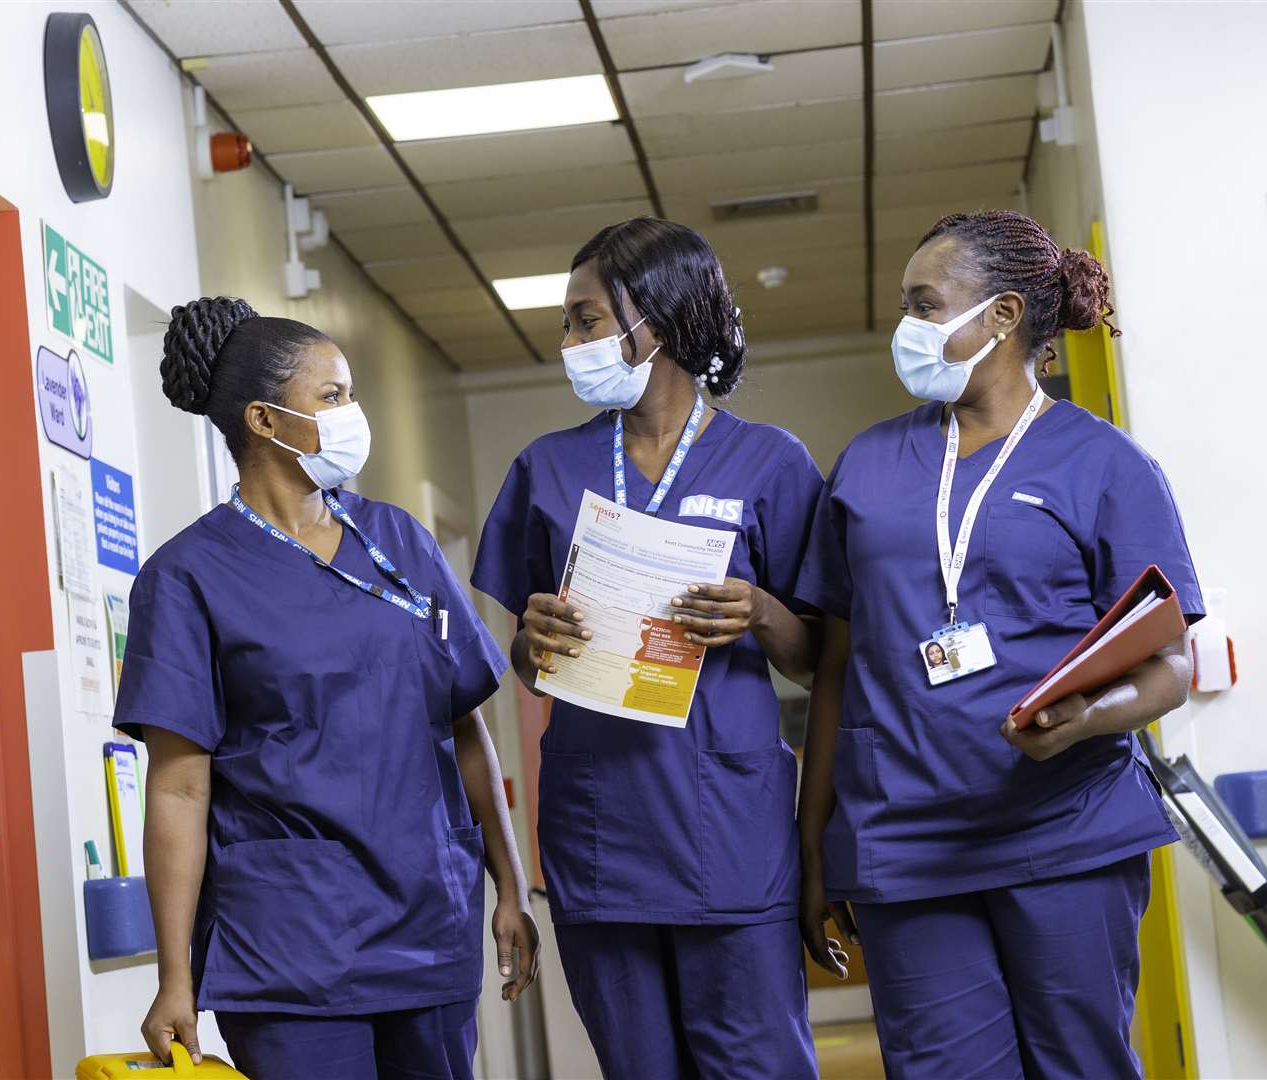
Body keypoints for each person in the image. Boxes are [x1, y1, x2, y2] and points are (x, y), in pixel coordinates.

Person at [794, 210, 1205, 1079]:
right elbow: (835, 668)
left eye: (924, 304)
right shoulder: (866, 468)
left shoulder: (1105, 465)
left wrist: (1092, 713)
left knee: (1079, 1066)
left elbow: (1171, 664)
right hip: (905, 842)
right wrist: (815, 844)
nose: (906, 328)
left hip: (1064, 828)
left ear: (1005, 316)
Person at [115, 297, 538, 1080]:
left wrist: (511, 884)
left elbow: (465, 722)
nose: (353, 414)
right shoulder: (186, 578)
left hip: (427, 926)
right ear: (266, 421)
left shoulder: (400, 540)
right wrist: (174, 973)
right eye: (333, 396)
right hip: (288, 947)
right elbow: (178, 787)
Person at [471, 218, 824, 1079]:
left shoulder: (769, 463)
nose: (570, 342)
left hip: (728, 828)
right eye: (568, 324)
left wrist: (760, 611)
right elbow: (524, 656)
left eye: (586, 321)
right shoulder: (547, 469)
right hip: (602, 834)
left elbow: (816, 654)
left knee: (756, 1067)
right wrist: (532, 645)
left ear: (654, 324)